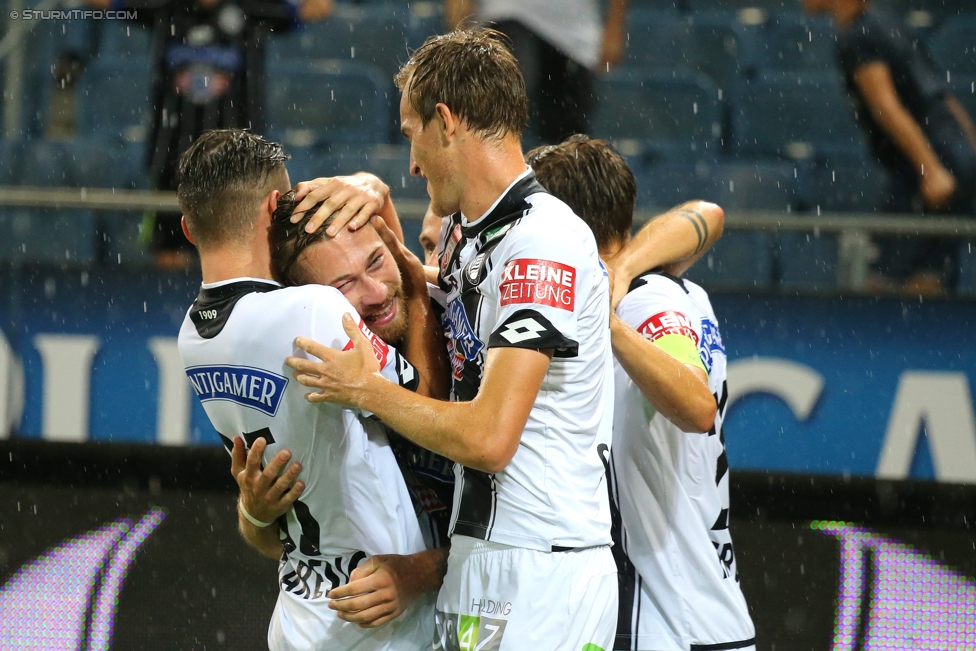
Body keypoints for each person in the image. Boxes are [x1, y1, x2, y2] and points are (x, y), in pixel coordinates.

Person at [285, 28, 618, 650]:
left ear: (446, 122)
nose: (410, 162)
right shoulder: (479, 233)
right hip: (488, 559)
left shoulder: (541, 242)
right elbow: (429, 291)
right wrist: (377, 206)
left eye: (411, 133)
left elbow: (490, 439)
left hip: (541, 568)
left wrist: (366, 390)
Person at [175, 129, 447, 650]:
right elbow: (428, 410)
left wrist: (253, 512)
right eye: (347, 282)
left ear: (189, 229)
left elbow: (269, 513)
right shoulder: (315, 311)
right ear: (275, 207)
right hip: (378, 625)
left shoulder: (192, 338)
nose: (363, 292)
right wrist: (413, 281)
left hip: (302, 616)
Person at [528, 135, 756, 651]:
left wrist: (604, 320)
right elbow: (708, 214)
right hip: (699, 610)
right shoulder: (667, 286)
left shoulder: (643, 304)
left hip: (669, 620)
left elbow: (696, 405)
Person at [90, 0, 332, 267]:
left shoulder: (256, 7)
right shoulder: (162, 6)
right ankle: (176, 307)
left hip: (240, 162)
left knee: (238, 253)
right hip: (171, 155)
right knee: (168, 251)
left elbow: (318, 8)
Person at [804, 0, 976, 294]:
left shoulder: (858, 37)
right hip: (954, 158)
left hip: (926, 164)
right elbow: (941, 95)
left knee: (883, 282)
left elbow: (886, 107)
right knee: (926, 278)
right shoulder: (888, 23)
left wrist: (931, 170)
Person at [445, 0, 629, 145]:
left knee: (567, 131)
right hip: (508, 14)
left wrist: (615, 23)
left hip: (575, 32)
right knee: (502, 104)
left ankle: (564, 185)